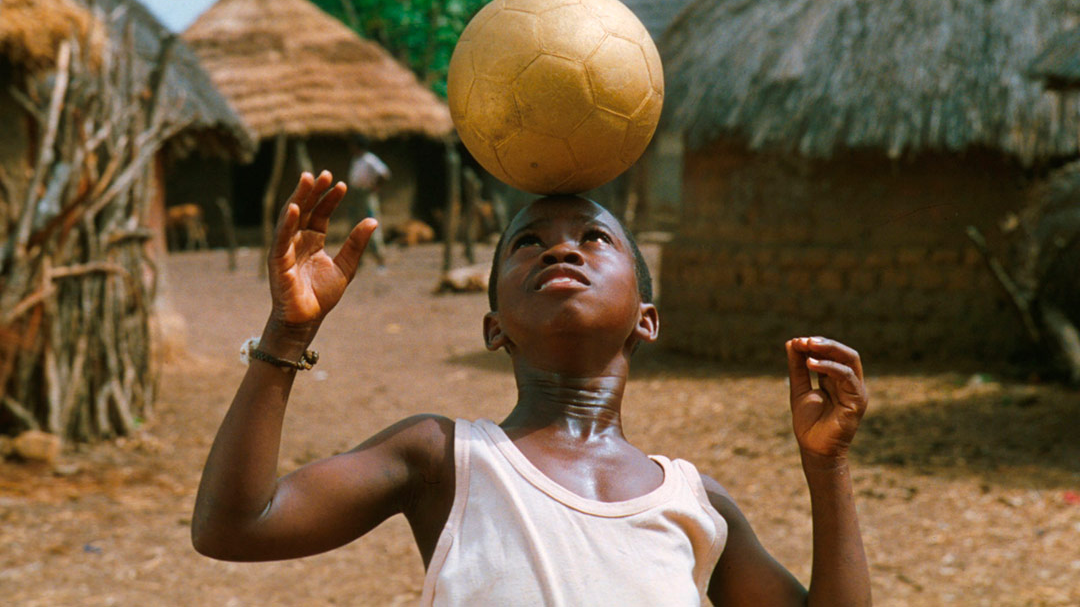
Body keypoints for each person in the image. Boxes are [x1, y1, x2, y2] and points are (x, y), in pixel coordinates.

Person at [192, 170, 872, 606]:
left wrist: (827, 465)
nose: (560, 249)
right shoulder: (444, 460)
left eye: (595, 237)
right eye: (528, 243)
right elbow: (234, 527)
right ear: (495, 329)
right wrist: (286, 337)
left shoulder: (695, 504)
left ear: (648, 318)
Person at [347, 139, 391, 269]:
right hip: (356, 195)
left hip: (366, 195)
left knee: (371, 226)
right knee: (355, 227)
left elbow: (384, 173)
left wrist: (376, 187)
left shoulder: (369, 159)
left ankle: (380, 260)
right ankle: (357, 261)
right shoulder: (356, 160)